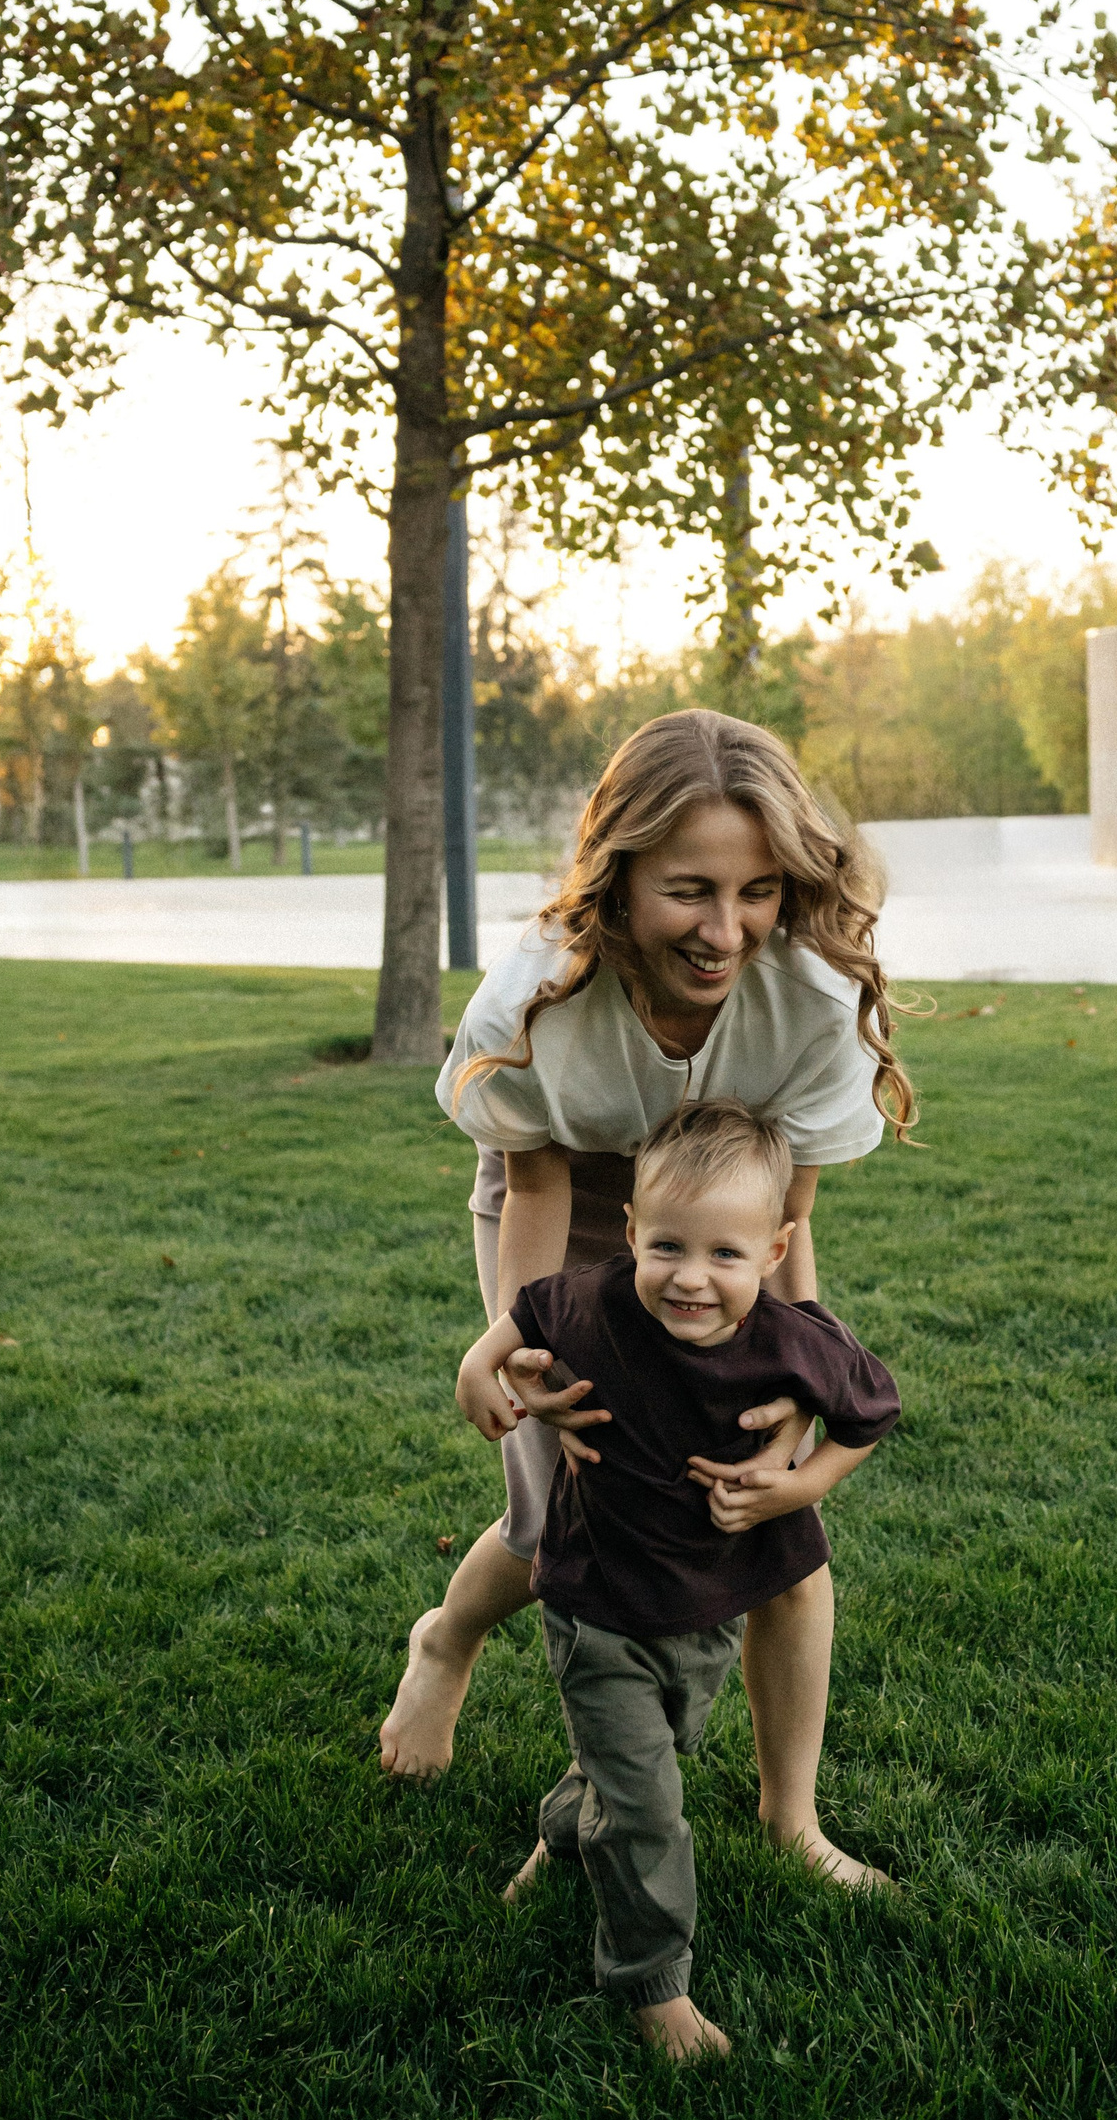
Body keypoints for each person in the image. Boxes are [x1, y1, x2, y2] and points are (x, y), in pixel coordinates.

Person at [378, 707, 915, 1889]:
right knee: (563, 1518)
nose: (726, 931)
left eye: (758, 891)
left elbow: (790, 1227)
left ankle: (792, 1821)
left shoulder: (813, 998)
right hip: (570, 1207)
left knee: (782, 1541)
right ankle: (449, 1643)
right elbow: (534, 1186)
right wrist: (530, 1352)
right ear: (618, 879)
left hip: (728, 1233)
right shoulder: (537, 994)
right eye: (689, 891)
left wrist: (795, 1387)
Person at [457, 1098, 900, 2061]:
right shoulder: (592, 1303)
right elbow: (517, 1321)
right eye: (667, 1246)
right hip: (594, 1605)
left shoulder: (794, 1342)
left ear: (774, 1250)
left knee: (644, 1753)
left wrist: (799, 1488)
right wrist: (476, 1369)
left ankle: (562, 1836)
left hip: (706, 1615)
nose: (691, 1277)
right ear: (630, 1234)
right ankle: (654, 1985)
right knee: (649, 1807)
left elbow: (869, 1415)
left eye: (725, 1254)